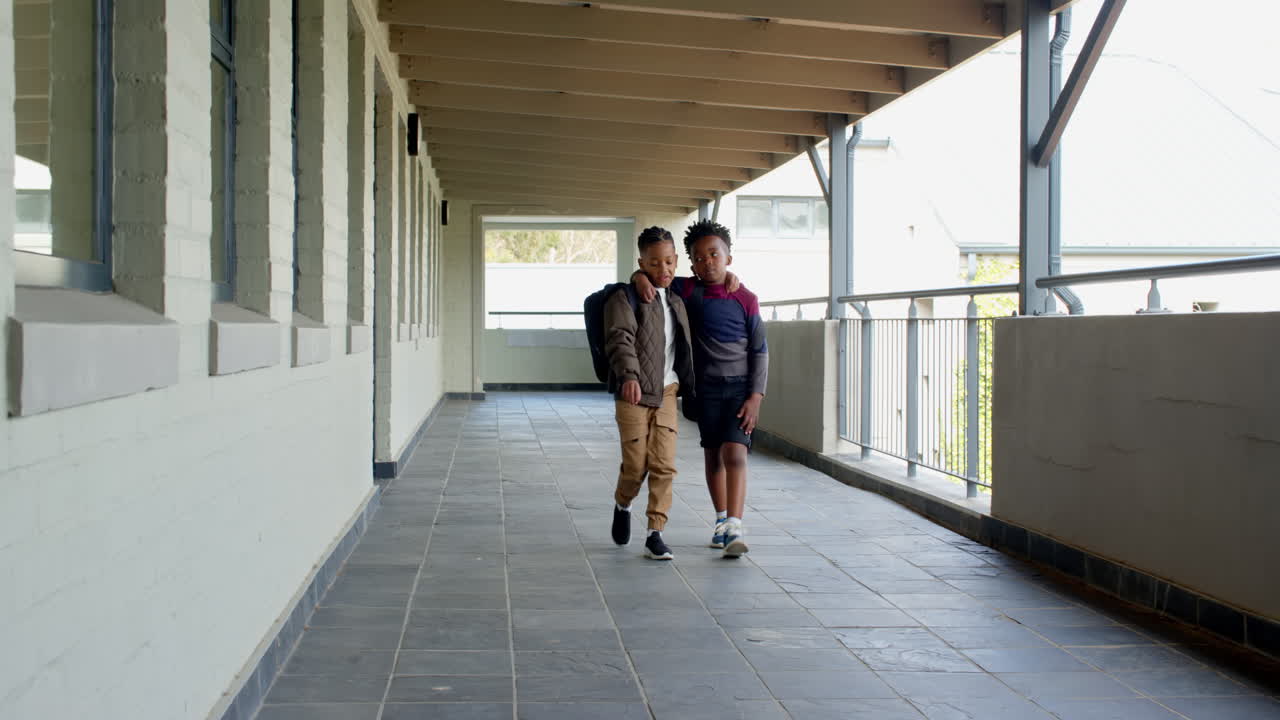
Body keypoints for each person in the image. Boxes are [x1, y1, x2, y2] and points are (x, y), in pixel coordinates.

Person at [632, 220, 767, 558]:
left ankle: (735, 524)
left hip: (739, 390)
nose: (709, 262)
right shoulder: (687, 290)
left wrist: (755, 397)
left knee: (735, 453)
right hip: (705, 390)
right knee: (713, 455)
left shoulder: (746, 298)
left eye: (715, 254)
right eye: (700, 257)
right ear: (690, 263)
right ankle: (721, 522)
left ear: (729, 258)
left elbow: (760, 351)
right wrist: (637, 278)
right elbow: (653, 274)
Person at [605, 226, 697, 560]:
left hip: (668, 390)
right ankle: (622, 502)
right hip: (633, 393)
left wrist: (732, 279)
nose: (665, 270)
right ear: (642, 261)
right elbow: (619, 337)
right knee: (636, 465)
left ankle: (655, 532)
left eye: (670, 261)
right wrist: (628, 375)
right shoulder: (625, 296)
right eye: (655, 263)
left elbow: (713, 281)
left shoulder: (677, 295)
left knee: (664, 465)